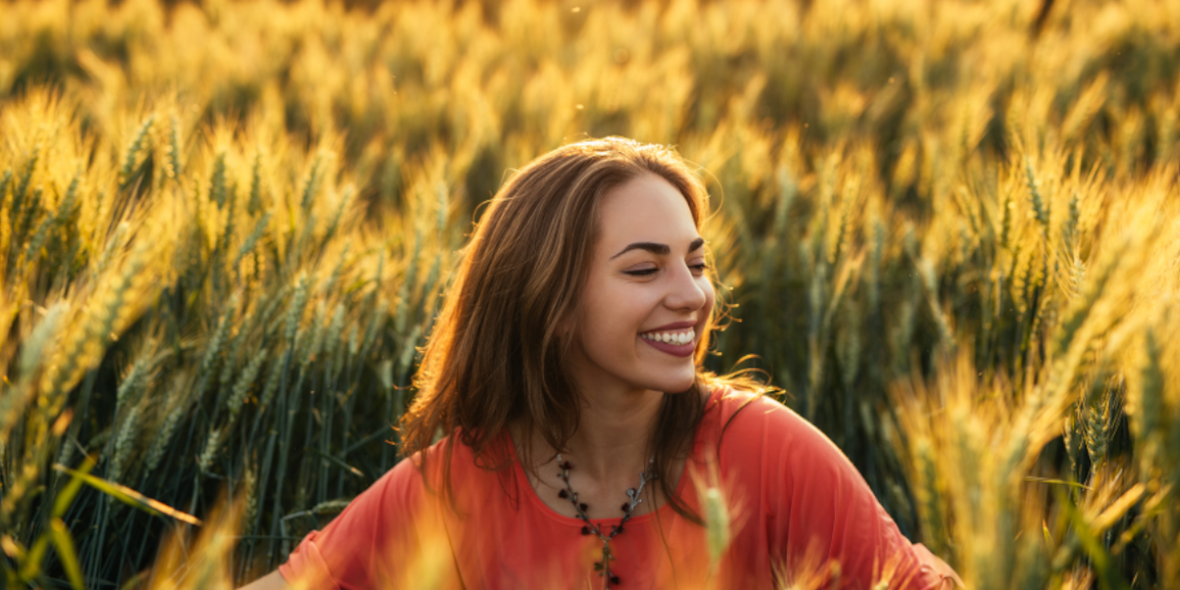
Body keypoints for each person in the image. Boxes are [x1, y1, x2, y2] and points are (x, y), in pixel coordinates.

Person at [241, 137, 960, 590]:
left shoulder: (766, 451)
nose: (694, 296)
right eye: (645, 270)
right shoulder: (453, 488)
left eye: (697, 262)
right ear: (549, 296)